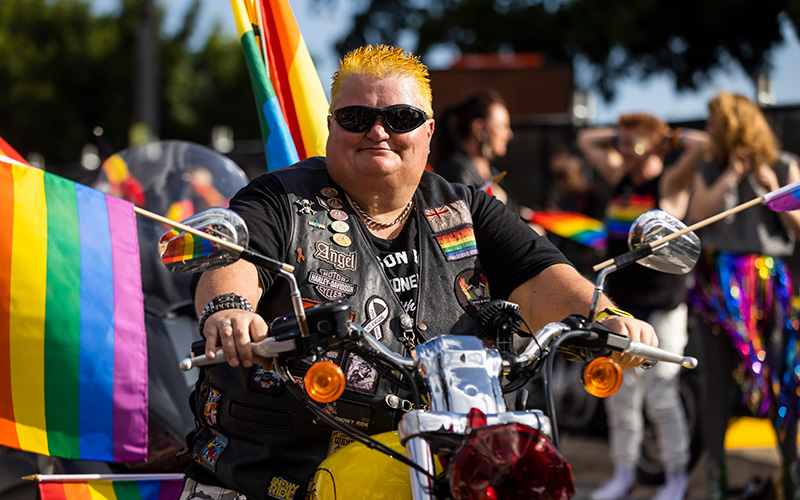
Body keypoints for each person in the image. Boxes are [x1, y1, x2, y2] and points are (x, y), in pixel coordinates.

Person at [179, 45, 660, 500]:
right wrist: (230, 311)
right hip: (277, 474)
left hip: (439, 455)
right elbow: (235, 257)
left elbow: (539, 275)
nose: (377, 131)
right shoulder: (279, 199)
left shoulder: (465, 207)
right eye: (355, 117)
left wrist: (606, 317)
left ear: (428, 130)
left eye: (401, 117)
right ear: (331, 126)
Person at [578, 113, 709, 500]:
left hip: (663, 306)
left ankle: (675, 479)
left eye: (631, 139)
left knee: (661, 396)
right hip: (622, 308)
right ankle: (624, 474)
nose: (620, 144)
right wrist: (627, 136)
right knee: (620, 396)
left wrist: (664, 137)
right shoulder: (620, 178)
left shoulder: (666, 184)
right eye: (619, 137)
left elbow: (702, 147)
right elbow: (587, 139)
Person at [687, 91, 800, 500]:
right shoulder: (710, 168)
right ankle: (716, 482)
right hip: (719, 288)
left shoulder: (784, 164)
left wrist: (775, 191)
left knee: (782, 381)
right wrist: (731, 176)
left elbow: (798, 230)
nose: (708, 130)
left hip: (770, 285)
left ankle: (790, 477)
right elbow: (697, 217)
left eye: (714, 122)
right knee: (715, 383)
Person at [433, 89, 516, 209]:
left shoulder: (493, 172)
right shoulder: (455, 171)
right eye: (502, 126)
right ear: (479, 128)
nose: (508, 134)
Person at [547, 146, 608, 277]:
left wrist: (561, 221)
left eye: (562, 174)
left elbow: (599, 235)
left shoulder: (594, 198)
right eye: (555, 176)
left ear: (578, 169)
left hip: (588, 273)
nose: (559, 182)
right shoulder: (563, 200)